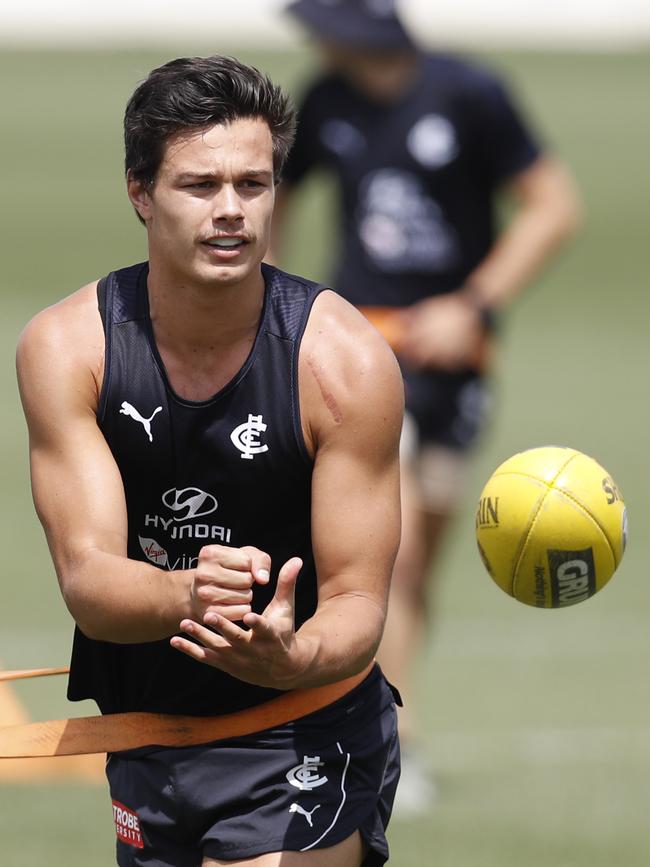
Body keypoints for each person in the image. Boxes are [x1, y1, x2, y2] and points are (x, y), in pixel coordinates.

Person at [16, 55, 404, 866]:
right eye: (200, 186)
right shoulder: (69, 349)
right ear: (139, 192)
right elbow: (90, 582)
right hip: (152, 737)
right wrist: (189, 591)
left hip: (308, 721)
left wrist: (291, 654)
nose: (231, 211)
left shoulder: (343, 364)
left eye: (253, 185)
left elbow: (359, 600)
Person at [273, 0, 582, 808]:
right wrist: (273, 307)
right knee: (389, 550)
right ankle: (375, 741)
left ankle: (388, 721)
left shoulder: (470, 93)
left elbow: (553, 206)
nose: (311, 38)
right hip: (361, 354)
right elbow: (276, 201)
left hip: (454, 361)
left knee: (419, 567)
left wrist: (473, 304)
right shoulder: (326, 99)